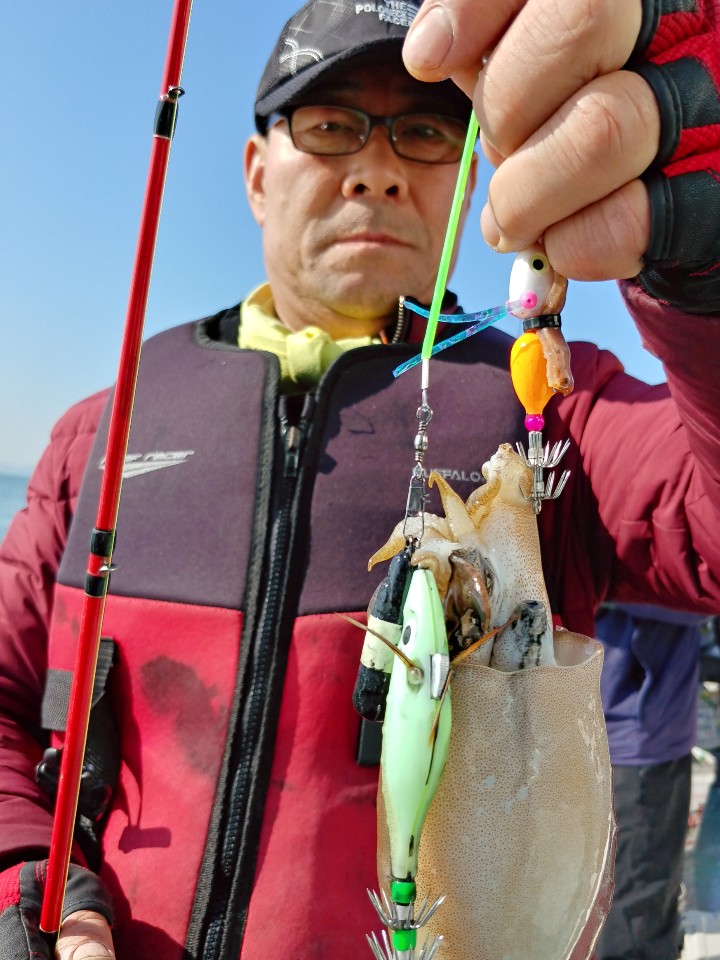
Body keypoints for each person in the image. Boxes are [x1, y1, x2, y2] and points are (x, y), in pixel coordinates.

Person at [0, 1, 719, 958]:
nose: (377, 169)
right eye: (331, 124)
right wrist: (34, 887)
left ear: (468, 181)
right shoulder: (97, 430)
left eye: (425, 133)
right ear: (257, 173)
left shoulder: (560, 407)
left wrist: (702, 270)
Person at [594, 603, 710, 960]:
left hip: (625, 729)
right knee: (633, 916)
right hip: (634, 735)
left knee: (627, 903)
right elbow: (705, 589)